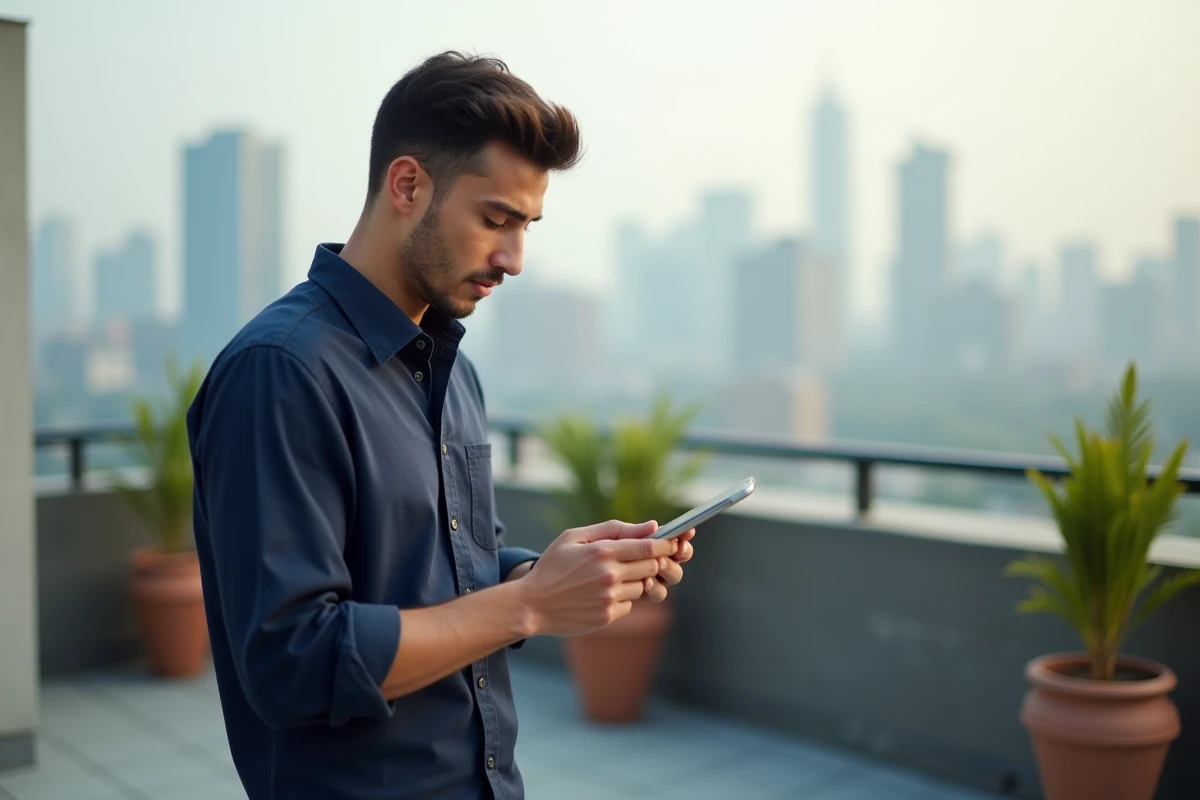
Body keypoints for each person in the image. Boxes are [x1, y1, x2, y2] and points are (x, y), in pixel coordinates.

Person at [185, 51, 696, 800]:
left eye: (527, 226)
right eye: (495, 219)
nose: (514, 258)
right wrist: (526, 606)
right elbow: (291, 663)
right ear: (407, 185)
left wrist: (552, 574)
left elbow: (449, 574)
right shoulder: (281, 371)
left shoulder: (453, 370)